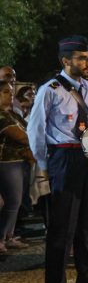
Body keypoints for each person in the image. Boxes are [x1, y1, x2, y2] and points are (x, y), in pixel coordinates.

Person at [27, 35, 88, 283]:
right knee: (63, 224)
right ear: (65, 61)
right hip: (64, 156)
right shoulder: (50, 89)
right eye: (81, 58)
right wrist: (44, 164)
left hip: (87, 155)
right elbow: (36, 129)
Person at [0, 80, 32, 254]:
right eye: (6, 92)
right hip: (7, 163)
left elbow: (28, 130)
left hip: (20, 162)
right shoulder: (2, 116)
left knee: (16, 202)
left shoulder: (11, 113)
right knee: (11, 201)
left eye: (11, 92)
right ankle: (1, 238)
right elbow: (23, 137)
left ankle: (8, 236)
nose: (10, 95)